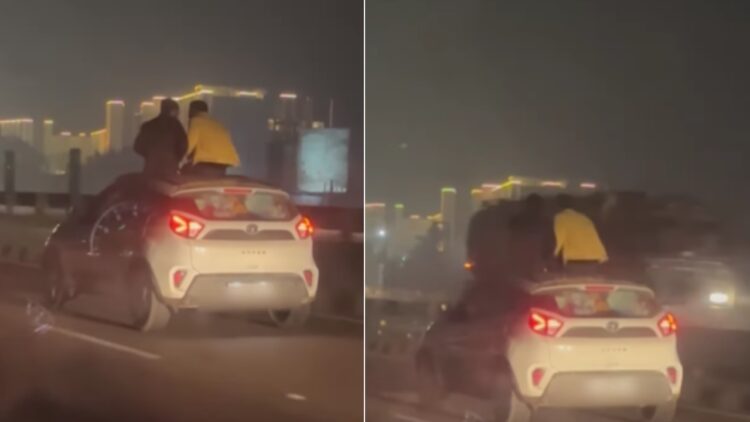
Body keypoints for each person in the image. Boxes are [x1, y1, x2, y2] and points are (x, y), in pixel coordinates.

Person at [553, 194, 608, 274]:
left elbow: (559, 238)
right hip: (595, 258)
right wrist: (603, 256)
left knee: (573, 283)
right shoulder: (584, 218)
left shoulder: (561, 217)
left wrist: (552, 255)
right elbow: (594, 237)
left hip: (576, 259)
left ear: (558, 206)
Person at [133, 98, 187, 180]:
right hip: (170, 169)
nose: (178, 114)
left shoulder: (148, 126)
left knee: (148, 190)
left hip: (151, 169)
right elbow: (184, 145)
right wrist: (176, 159)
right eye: (177, 111)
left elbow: (137, 147)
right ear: (172, 111)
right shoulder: (176, 125)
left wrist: (150, 155)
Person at [183, 100, 240, 177]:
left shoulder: (196, 121)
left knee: (185, 172)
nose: (188, 114)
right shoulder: (218, 124)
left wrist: (179, 157)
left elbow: (188, 145)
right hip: (223, 164)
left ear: (193, 110)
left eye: (189, 110)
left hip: (206, 162)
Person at [507, 194, 555, 280]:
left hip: (517, 263)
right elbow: (551, 244)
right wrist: (545, 259)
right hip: (537, 264)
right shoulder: (545, 222)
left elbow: (509, 241)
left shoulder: (516, 220)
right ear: (541, 207)